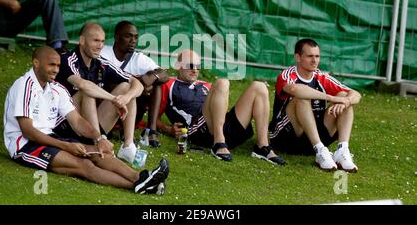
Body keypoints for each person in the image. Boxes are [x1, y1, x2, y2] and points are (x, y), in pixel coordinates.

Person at [3, 46, 169, 194]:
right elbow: (28, 131)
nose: (56, 70)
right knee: (84, 166)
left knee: (99, 153)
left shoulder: (56, 88)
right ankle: (138, 186)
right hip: (26, 145)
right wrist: (67, 145)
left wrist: (99, 138)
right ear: (36, 63)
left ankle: (141, 177)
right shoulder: (24, 85)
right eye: (51, 65)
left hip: (51, 138)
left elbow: (77, 121)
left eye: (58, 66)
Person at [155, 49, 285, 164]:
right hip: (198, 130)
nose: (195, 70)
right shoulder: (168, 84)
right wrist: (168, 129)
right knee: (222, 82)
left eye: (198, 66)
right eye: (190, 65)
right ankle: (218, 143)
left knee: (259, 87)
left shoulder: (205, 85)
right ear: (178, 65)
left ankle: (262, 147)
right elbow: (153, 118)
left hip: (222, 127)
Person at [54, 22, 144, 164]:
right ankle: (99, 141)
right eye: (95, 40)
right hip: (66, 125)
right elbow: (83, 85)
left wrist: (125, 98)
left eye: (102, 41)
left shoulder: (101, 63)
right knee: (86, 92)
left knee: (127, 88)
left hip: (90, 125)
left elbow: (138, 84)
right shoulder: (67, 59)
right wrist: (114, 99)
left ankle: (128, 147)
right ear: (82, 40)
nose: (100, 45)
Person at [268, 38, 362, 172]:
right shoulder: (287, 75)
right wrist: (330, 97)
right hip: (288, 138)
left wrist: (346, 101)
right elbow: (295, 90)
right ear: (298, 57)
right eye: (310, 56)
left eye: (317, 56)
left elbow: (355, 94)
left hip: (316, 135)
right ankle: (319, 150)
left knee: (343, 96)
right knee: (301, 98)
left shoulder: (321, 76)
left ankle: (342, 150)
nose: (315, 60)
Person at [100, 21, 169, 147]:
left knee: (156, 83)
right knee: (127, 87)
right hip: (107, 104)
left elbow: (164, 75)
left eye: (136, 37)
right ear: (116, 37)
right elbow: (106, 84)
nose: (133, 40)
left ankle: (151, 131)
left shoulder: (138, 58)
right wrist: (139, 86)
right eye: (128, 36)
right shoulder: (104, 53)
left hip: (130, 106)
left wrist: (150, 77)